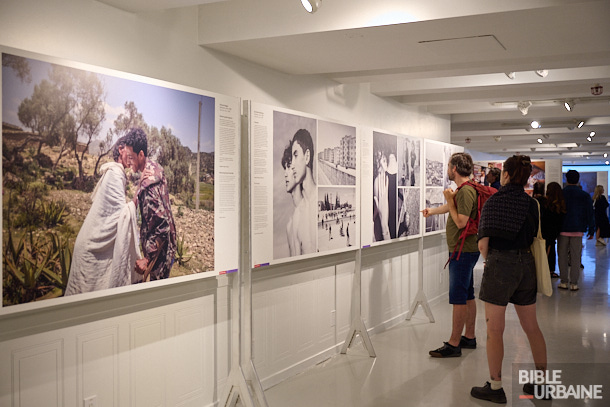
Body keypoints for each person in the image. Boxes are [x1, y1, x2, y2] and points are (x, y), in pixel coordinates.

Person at [471, 155, 548, 404]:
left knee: (495, 330)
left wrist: (489, 260)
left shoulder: (495, 202)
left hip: (500, 264)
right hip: (526, 265)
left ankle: (495, 386)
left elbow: (484, 244)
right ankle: (542, 384)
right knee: (532, 327)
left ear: (505, 175)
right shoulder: (531, 204)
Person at [65, 137, 141, 295]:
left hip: (91, 246)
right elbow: (121, 217)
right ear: (120, 149)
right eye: (130, 149)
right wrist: (136, 199)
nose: (132, 154)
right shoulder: (114, 175)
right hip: (91, 251)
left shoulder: (117, 174)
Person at [422, 152, 479, 358]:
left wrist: (448, 198)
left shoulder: (465, 191)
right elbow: (452, 207)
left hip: (462, 251)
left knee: (458, 298)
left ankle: (454, 343)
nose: (447, 169)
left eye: (448, 166)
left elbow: (461, 221)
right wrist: (433, 210)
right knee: (468, 294)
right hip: (465, 249)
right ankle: (469, 336)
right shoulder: (464, 189)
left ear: (454, 168)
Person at [124, 127, 177, 281]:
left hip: (160, 255)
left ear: (141, 155)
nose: (128, 161)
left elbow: (162, 226)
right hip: (168, 246)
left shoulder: (148, 188)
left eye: (131, 157)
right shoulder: (155, 167)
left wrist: (147, 259)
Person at [557, 170, 595, 291]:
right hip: (578, 229)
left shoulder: (561, 194)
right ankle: (574, 283)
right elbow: (590, 213)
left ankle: (563, 281)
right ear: (578, 179)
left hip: (562, 229)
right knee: (576, 257)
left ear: (566, 179)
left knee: (562, 256)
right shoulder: (584, 195)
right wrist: (591, 229)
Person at [290, 129, 317, 254]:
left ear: (307, 157)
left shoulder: (318, 200)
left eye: (296, 156)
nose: (292, 165)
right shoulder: (298, 214)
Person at [281, 142, 303, 256]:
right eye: (284, 168)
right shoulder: (289, 225)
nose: (285, 174)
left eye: (288, 167)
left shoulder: (308, 213)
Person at [541, 182, 566, 278]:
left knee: (546, 249)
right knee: (550, 248)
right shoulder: (560, 205)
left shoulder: (545, 203)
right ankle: (550, 270)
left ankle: (544, 269)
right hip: (554, 231)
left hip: (544, 230)